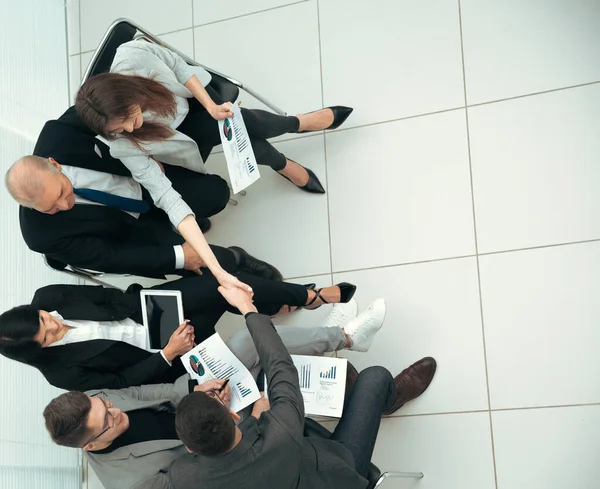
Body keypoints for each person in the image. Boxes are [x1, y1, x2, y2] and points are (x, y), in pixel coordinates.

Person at [73, 39, 352, 286]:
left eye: (131, 118)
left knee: (244, 123)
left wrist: (210, 106)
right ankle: (288, 148)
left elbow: (182, 70)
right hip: (176, 135)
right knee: (249, 136)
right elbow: (168, 199)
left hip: (195, 102)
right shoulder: (121, 141)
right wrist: (215, 266)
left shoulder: (133, 55)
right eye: (122, 129)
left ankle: (296, 128)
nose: (132, 129)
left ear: (128, 93)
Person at [40, 298, 386, 489]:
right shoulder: (132, 484)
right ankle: (380, 401)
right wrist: (248, 420)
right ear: (89, 445)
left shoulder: (98, 398)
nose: (117, 409)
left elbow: (146, 391)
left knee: (242, 344)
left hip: (213, 415)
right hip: (227, 443)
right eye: (108, 419)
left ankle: (344, 336)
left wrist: (193, 390)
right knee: (369, 381)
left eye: (105, 403)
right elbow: (208, 473)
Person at [170, 287, 437, 489]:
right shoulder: (281, 431)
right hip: (335, 475)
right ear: (233, 415)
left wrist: (253, 419)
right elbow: (279, 365)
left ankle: (337, 345)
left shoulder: (183, 477)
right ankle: (389, 399)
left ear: (191, 449)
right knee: (375, 377)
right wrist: (246, 307)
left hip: (288, 464)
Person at [0, 278, 360, 392]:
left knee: (223, 284)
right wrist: (168, 352)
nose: (56, 325)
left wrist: (153, 311)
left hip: (152, 312)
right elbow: (124, 380)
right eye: (49, 335)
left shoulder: (48, 297)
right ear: (39, 351)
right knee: (242, 343)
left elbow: (108, 295)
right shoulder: (59, 373)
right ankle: (311, 317)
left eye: (46, 318)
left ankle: (310, 297)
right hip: (166, 358)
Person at [6, 151, 272, 280]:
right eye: (51, 208)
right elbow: (111, 257)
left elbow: (112, 119)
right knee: (203, 264)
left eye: (63, 192)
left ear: (54, 164)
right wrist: (179, 256)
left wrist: (142, 152)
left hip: (144, 183)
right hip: (127, 232)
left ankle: (179, 220)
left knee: (215, 195)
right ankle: (237, 257)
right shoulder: (40, 236)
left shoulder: (60, 134)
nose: (65, 205)